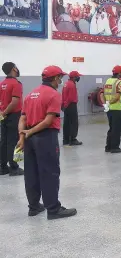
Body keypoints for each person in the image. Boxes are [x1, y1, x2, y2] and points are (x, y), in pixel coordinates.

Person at [17, 65, 77, 219]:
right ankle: (53, 209)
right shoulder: (53, 94)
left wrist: (23, 137)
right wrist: (30, 132)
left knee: (31, 172)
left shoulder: (31, 94)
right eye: (60, 78)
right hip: (45, 137)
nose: (61, 81)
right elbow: (48, 120)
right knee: (49, 172)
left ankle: (34, 207)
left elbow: (22, 118)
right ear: (55, 78)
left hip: (29, 138)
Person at [0, 62, 24, 176]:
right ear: (14, 69)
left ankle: (3, 167)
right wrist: (6, 112)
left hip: (3, 116)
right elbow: (15, 102)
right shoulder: (16, 84)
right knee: (13, 141)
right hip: (14, 115)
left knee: (4, 141)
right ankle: (14, 167)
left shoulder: (2, 83)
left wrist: (2, 113)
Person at [101, 66, 121, 153]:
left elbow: (102, 94)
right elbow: (117, 96)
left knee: (111, 128)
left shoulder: (108, 81)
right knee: (116, 129)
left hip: (109, 109)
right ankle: (115, 147)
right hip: (116, 108)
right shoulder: (119, 82)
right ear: (119, 73)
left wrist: (105, 104)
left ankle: (108, 146)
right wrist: (110, 102)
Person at [61, 71, 82, 146]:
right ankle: (73, 139)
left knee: (67, 123)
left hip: (66, 106)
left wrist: (63, 105)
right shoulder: (72, 85)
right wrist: (66, 105)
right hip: (71, 105)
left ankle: (65, 140)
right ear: (74, 77)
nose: (78, 78)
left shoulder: (66, 84)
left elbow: (63, 95)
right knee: (74, 123)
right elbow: (70, 98)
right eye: (77, 76)